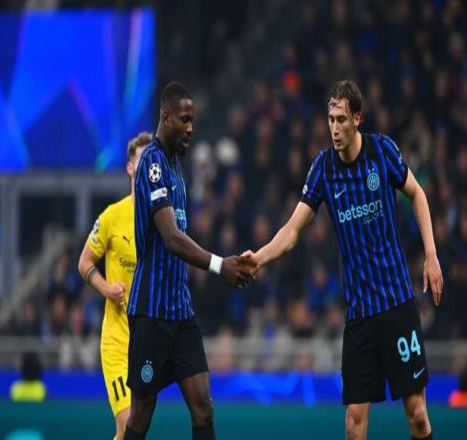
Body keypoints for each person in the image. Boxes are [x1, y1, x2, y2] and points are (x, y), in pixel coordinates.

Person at [242, 80, 443, 440]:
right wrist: (259, 258)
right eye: (330, 120)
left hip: (397, 305)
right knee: (353, 422)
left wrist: (431, 254)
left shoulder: (382, 151)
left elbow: (417, 194)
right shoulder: (323, 168)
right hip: (359, 315)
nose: (334, 129)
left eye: (341, 120)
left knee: (417, 415)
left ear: (357, 119)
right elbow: (293, 230)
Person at [124, 81, 252, 440]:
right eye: (184, 119)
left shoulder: (177, 168)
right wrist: (219, 265)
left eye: (193, 120)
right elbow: (171, 237)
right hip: (151, 312)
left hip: (180, 312)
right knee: (142, 411)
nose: (191, 128)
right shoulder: (152, 163)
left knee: (203, 407)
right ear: (166, 118)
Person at [78, 132, 151, 440]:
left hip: (147, 342)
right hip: (117, 342)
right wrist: (106, 288)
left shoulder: (163, 222)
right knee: (128, 423)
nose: (148, 168)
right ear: (130, 168)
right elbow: (84, 262)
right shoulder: (112, 217)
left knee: (130, 433)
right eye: (142, 162)